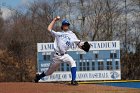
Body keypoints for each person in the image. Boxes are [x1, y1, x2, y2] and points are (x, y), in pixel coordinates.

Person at [34, 16, 90, 85]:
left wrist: (83, 47)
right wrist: (54, 20)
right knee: (49, 72)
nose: (66, 26)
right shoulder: (58, 34)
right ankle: (38, 77)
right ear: (62, 26)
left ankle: (73, 80)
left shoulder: (72, 35)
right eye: (65, 25)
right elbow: (49, 29)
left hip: (65, 55)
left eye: (67, 25)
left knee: (73, 62)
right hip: (56, 56)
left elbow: (78, 44)